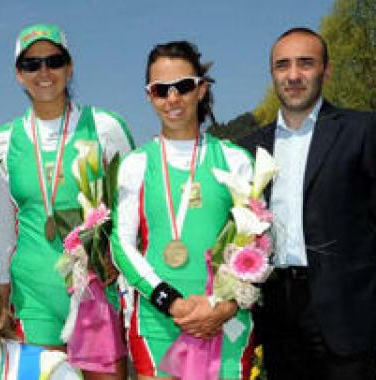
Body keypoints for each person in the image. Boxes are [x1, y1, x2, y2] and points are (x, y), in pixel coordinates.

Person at [0, 24, 133, 379]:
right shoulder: (3, 141)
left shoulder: (105, 127)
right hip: (34, 291)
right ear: (18, 75)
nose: (44, 72)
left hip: (95, 288)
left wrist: (118, 261)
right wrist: (2, 292)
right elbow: (6, 226)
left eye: (54, 61)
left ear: (69, 68)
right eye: (32, 64)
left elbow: (132, 209)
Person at [110, 41, 255, 379]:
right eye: (161, 90)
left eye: (183, 87)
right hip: (158, 319)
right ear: (149, 95)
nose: (172, 99)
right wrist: (170, 301)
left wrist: (222, 306)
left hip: (225, 320)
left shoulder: (235, 160)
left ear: (201, 90)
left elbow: (258, 245)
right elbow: (121, 245)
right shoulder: (136, 163)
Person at [239, 27, 376, 379]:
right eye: (283, 66)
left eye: (306, 63)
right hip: (278, 313)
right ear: (273, 74)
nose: (294, 75)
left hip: (349, 314)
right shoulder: (247, 148)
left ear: (326, 70)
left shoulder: (362, 131)